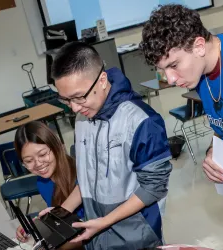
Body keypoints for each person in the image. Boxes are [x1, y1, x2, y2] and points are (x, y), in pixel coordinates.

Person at [50, 41, 172, 249]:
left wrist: (104, 222)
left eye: (79, 97)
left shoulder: (141, 120)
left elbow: (154, 187)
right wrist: (57, 217)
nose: (74, 108)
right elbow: (86, 181)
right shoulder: (82, 119)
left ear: (102, 80)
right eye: (66, 100)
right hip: (96, 238)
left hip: (136, 239)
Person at [140, 4, 223, 184]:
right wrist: (214, 149)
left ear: (199, 46)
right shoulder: (201, 73)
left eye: (174, 65)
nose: (170, 79)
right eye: (163, 70)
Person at [13, 121, 83, 250]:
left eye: (43, 154)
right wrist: (33, 224)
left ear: (57, 147)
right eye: (29, 161)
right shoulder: (42, 183)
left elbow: (90, 232)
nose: (38, 163)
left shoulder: (82, 174)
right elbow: (58, 221)